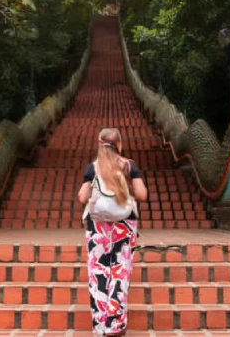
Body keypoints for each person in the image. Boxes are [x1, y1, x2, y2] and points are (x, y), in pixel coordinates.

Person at [78, 128, 148, 336]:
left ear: (100, 145)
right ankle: (115, 324)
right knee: (120, 271)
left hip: (97, 227)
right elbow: (142, 194)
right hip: (124, 226)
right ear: (119, 144)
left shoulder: (92, 168)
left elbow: (82, 198)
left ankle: (100, 325)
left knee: (98, 271)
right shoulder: (128, 165)